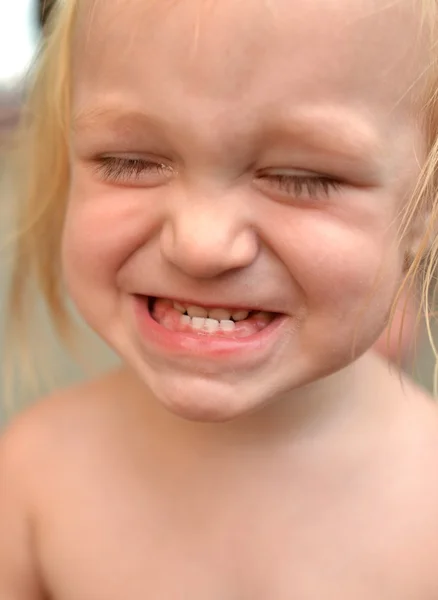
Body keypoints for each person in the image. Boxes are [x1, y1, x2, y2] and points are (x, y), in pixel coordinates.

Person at [1, 0, 438, 597]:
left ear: (427, 207)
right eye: (128, 162)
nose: (200, 245)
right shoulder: (28, 481)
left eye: (303, 177)